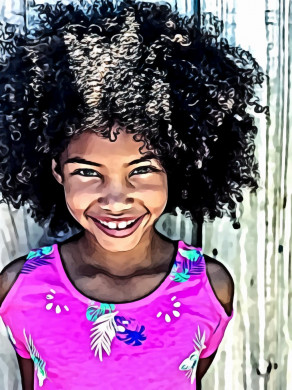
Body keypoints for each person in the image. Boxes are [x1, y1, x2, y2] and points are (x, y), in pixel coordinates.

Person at [0, 0, 268, 389]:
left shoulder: (209, 288)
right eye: (88, 172)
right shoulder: (20, 289)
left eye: (141, 170)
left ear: (175, 167)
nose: (115, 199)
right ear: (57, 172)